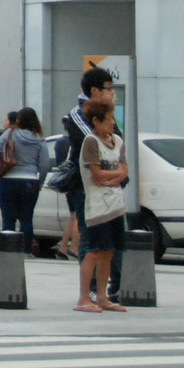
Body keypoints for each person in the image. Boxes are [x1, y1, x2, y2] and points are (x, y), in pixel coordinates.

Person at [61, 67, 123, 292]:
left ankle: (116, 286)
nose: (111, 93)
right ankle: (94, 289)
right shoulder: (78, 114)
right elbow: (97, 139)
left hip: (110, 186)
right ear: (94, 90)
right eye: (108, 88)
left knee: (113, 238)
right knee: (91, 238)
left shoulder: (109, 114)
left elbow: (117, 143)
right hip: (85, 186)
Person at [76, 98, 128, 313]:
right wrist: (115, 174)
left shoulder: (117, 140)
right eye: (108, 119)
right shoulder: (90, 142)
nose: (113, 123)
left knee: (109, 252)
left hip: (116, 205)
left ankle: (103, 297)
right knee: (95, 251)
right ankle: (83, 297)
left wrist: (114, 175)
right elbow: (95, 174)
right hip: (98, 206)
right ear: (96, 121)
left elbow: (125, 171)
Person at [0, 105, 51, 242]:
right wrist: (40, 181)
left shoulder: (9, 133)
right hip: (30, 181)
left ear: (18, 120)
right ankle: (26, 251)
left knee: (8, 218)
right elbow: (44, 164)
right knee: (27, 218)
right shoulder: (39, 139)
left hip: (8, 180)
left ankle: (8, 251)